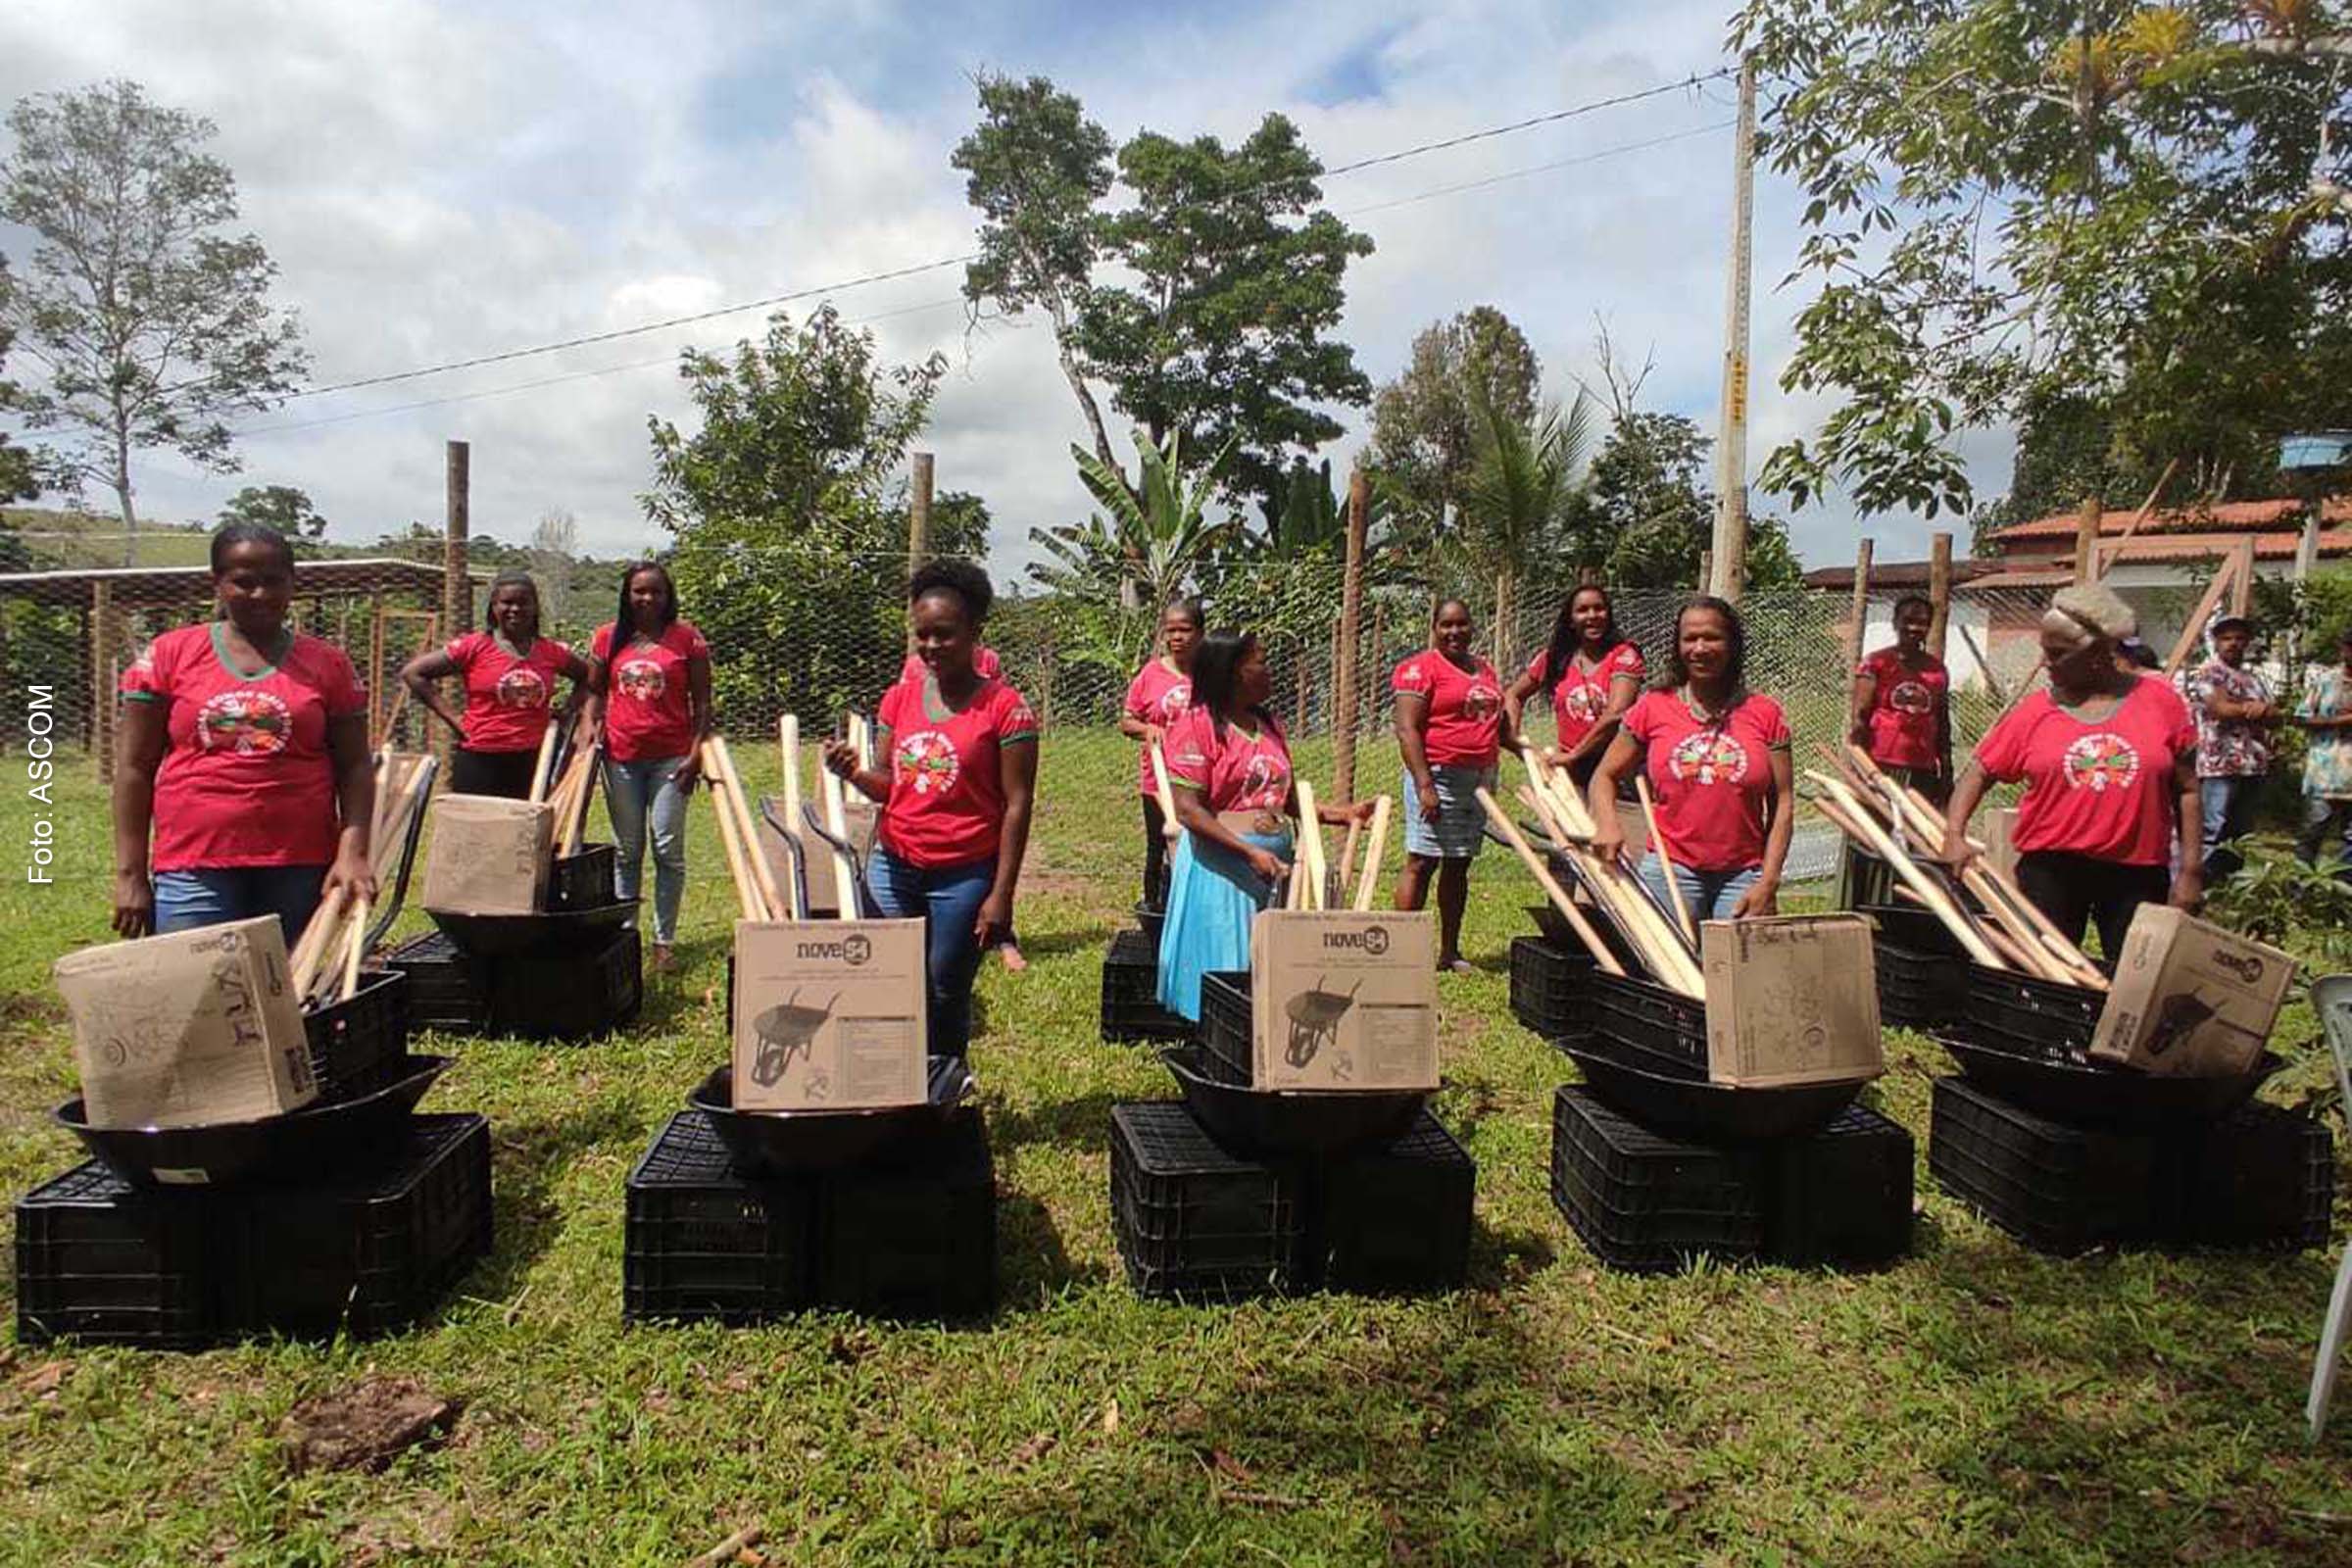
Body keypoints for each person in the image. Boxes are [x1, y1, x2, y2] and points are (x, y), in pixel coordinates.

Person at [112, 523, 377, 945]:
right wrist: (130, 874)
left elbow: (356, 766)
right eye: (243, 582)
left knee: (281, 993)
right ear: (216, 583)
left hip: (299, 863)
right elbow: (134, 769)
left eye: (273, 582)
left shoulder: (329, 665)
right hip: (193, 862)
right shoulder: (168, 655)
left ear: (293, 584)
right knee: (198, 993)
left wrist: (353, 853)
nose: (260, 595)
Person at [824, 561, 1036, 1059]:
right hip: (893, 866)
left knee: (944, 991)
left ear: (975, 633)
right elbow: (887, 787)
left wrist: (1000, 896)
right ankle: (890, 1086)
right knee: (888, 983)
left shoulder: (1007, 709)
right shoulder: (898, 700)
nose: (932, 646)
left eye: (945, 634)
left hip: (962, 877)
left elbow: (1017, 804)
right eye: (922, 635)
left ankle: (942, 1094)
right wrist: (853, 771)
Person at [1942, 583, 2201, 957]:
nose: (2045, 663)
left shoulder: (2160, 702)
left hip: (2136, 872)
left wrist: (2191, 872)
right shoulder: (2035, 710)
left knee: (2134, 974)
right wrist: (1955, 835)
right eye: (2044, 651)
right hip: (2051, 871)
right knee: (2045, 973)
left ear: (2097, 652)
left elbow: (2189, 789)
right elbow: (1978, 772)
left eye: (2058, 654)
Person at [1155, 631, 1373, 1022]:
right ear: (1234, 672)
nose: (1269, 671)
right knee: (1230, 965)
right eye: (1261, 662)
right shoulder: (1198, 725)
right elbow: (1188, 810)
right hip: (1222, 870)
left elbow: (1286, 800)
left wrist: (1343, 814)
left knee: (1268, 967)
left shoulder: (1268, 725)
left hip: (1272, 867)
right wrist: (1248, 852)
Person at [1588, 596, 1795, 922]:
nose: (1699, 648)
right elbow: (1604, 776)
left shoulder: (1766, 714)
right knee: (1669, 968)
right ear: (1678, 646)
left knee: (1737, 970)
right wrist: (1607, 824)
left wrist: (1768, 880)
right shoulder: (1652, 707)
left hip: (1743, 874)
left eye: (1711, 637)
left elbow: (1783, 801)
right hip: (1671, 869)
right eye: (1690, 638)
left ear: (1732, 644)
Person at [584, 563, 710, 973]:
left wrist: (696, 753)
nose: (647, 599)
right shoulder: (607, 638)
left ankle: (663, 942)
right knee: (627, 851)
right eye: (639, 591)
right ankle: (627, 937)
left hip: (672, 759)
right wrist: (589, 729)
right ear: (627, 595)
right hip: (621, 758)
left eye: (655, 592)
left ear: (667, 595)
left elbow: (704, 702)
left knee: (667, 850)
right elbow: (594, 692)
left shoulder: (686, 639)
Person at [1394, 598, 1513, 971]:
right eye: (1446, 624)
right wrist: (1424, 784)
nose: (1454, 631)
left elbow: (1499, 727)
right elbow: (1407, 728)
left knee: (1459, 863)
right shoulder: (1418, 669)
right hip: (1437, 775)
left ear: (1472, 626)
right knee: (1421, 860)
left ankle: (1449, 951)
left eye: (1461, 624)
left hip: (1477, 779)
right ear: (1434, 627)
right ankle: (1404, 954)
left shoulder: (1484, 669)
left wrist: (1531, 757)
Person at [398, 570, 591, 798]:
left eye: (523, 603)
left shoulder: (550, 651)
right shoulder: (473, 647)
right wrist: (454, 719)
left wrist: (568, 711)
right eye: (507, 603)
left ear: (535, 607)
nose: (515, 609)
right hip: (480, 756)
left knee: (523, 829)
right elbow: (413, 673)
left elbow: (588, 676)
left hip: (533, 758)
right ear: (493, 606)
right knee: (477, 829)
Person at [1840, 593, 1952, 906]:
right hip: (1881, 766)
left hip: (1921, 772)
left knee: (1915, 838)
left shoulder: (1936, 671)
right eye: (1909, 621)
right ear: (1895, 623)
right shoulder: (1876, 664)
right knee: (1874, 834)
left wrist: (1946, 769)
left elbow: (1941, 721)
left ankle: (1900, 905)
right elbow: (1860, 717)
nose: (1915, 628)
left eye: (1922, 622)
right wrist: (1862, 770)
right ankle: (1863, 903)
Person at [1504, 584, 1643, 785]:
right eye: (1582, 610)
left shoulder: (1624, 655)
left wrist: (1576, 754)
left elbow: (1616, 713)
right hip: (1571, 772)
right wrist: (1515, 739)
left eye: (1599, 608)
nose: (1592, 615)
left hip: (1615, 769)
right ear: (1570, 619)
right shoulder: (1555, 658)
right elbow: (1514, 695)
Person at [1117, 598, 1201, 910]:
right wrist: (1146, 730)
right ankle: (1155, 910)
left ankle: (1193, 908)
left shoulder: (1211, 674)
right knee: (1160, 845)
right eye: (1171, 630)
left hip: (1200, 780)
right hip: (1160, 780)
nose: (1177, 637)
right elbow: (1126, 721)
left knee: (1200, 844)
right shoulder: (1150, 674)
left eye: (1185, 630)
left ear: (1200, 634)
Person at [2184, 612, 2278, 877]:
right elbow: (2219, 709)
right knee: (2213, 828)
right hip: (2219, 764)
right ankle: (2197, 882)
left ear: (2247, 641)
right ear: (2215, 641)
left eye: (2239, 638)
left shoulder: (2254, 678)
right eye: (2226, 638)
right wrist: (2253, 709)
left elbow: (2276, 715)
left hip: (2252, 764)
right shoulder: (2208, 672)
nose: (2233, 643)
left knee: (2240, 832)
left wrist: (2261, 710)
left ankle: (2228, 882)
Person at [2292, 627, 2352, 868]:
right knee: (2312, 835)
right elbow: (2301, 718)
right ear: (2343, 648)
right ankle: (2299, 890)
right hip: (2325, 775)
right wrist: (2339, 721)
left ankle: (2342, 892)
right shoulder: (2326, 681)